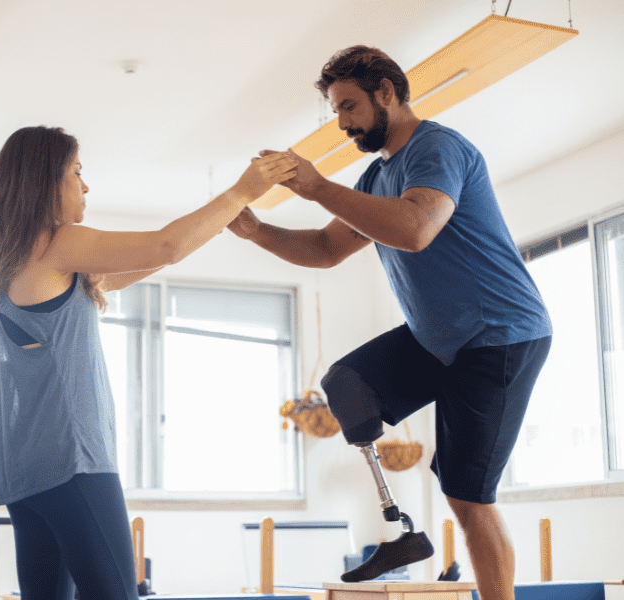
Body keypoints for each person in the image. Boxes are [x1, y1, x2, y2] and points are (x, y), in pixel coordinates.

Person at [227, 46, 552, 600]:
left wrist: (318, 186)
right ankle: (401, 528)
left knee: (469, 495)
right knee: (346, 382)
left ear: (386, 93)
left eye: (349, 106)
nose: (344, 123)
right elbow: (329, 247)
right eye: (336, 111)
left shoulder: (437, 148)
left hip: (499, 333)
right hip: (439, 337)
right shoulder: (376, 176)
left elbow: (417, 228)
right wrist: (258, 232)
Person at [0, 125, 297, 600]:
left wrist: (214, 223)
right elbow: (164, 245)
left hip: (24, 476)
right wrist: (241, 191)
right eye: (77, 173)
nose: (85, 186)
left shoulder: (7, 256)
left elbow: (135, 268)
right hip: (75, 463)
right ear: (46, 181)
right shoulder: (60, 243)